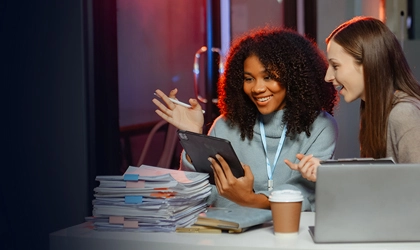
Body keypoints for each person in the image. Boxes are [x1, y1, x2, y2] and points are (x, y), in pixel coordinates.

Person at [153, 27, 338, 211]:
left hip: (289, 231)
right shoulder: (225, 126)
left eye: (268, 77)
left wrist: (250, 199)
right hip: (229, 234)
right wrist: (193, 138)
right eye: (249, 79)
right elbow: (199, 195)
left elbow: (306, 193)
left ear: (293, 77)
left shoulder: (321, 126)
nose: (257, 88)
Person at [286, 16, 420, 182]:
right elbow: (377, 184)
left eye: (335, 66)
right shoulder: (375, 110)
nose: (328, 77)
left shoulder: (404, 114)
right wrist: (328, 173)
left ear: (367, 63)